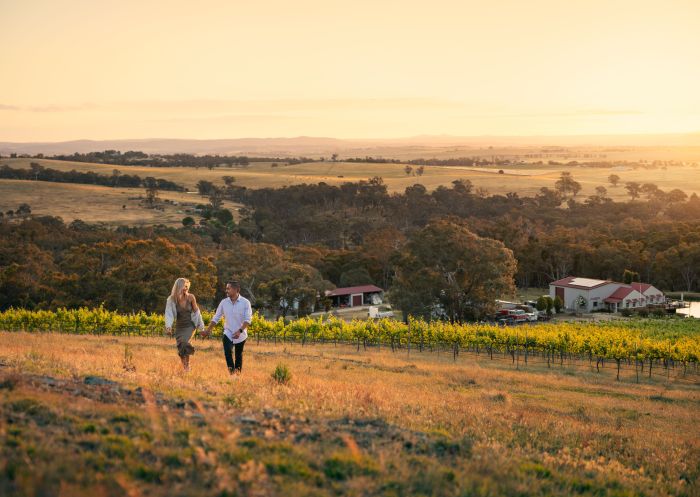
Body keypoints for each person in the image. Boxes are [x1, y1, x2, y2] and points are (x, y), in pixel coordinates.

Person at [203, 280, 252, 375]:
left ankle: (237, 375)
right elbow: (216, 317)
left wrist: (240, 331)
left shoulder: (246, 303)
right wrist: (208, 330)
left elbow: (248, 319)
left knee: (238, 355)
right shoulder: (224, 302)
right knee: (227, 351)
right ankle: (231, 373)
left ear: (236, 289)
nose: (226, 290)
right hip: (228, 332)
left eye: (228, 288)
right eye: (226, 288)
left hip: (241, 333)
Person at [165, 277, 204, 371]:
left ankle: (187, 366)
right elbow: (169, 313)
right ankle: (186, 367)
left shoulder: (191, 297)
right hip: (179, 326)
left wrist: (201, 327)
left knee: (185, 342)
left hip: (190, 326)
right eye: (184, 286)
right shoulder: (171, 299)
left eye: (187, 286)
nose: (186, 288)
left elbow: (197, 312)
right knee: (181, 346)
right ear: (178, 286)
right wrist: (168, 326)